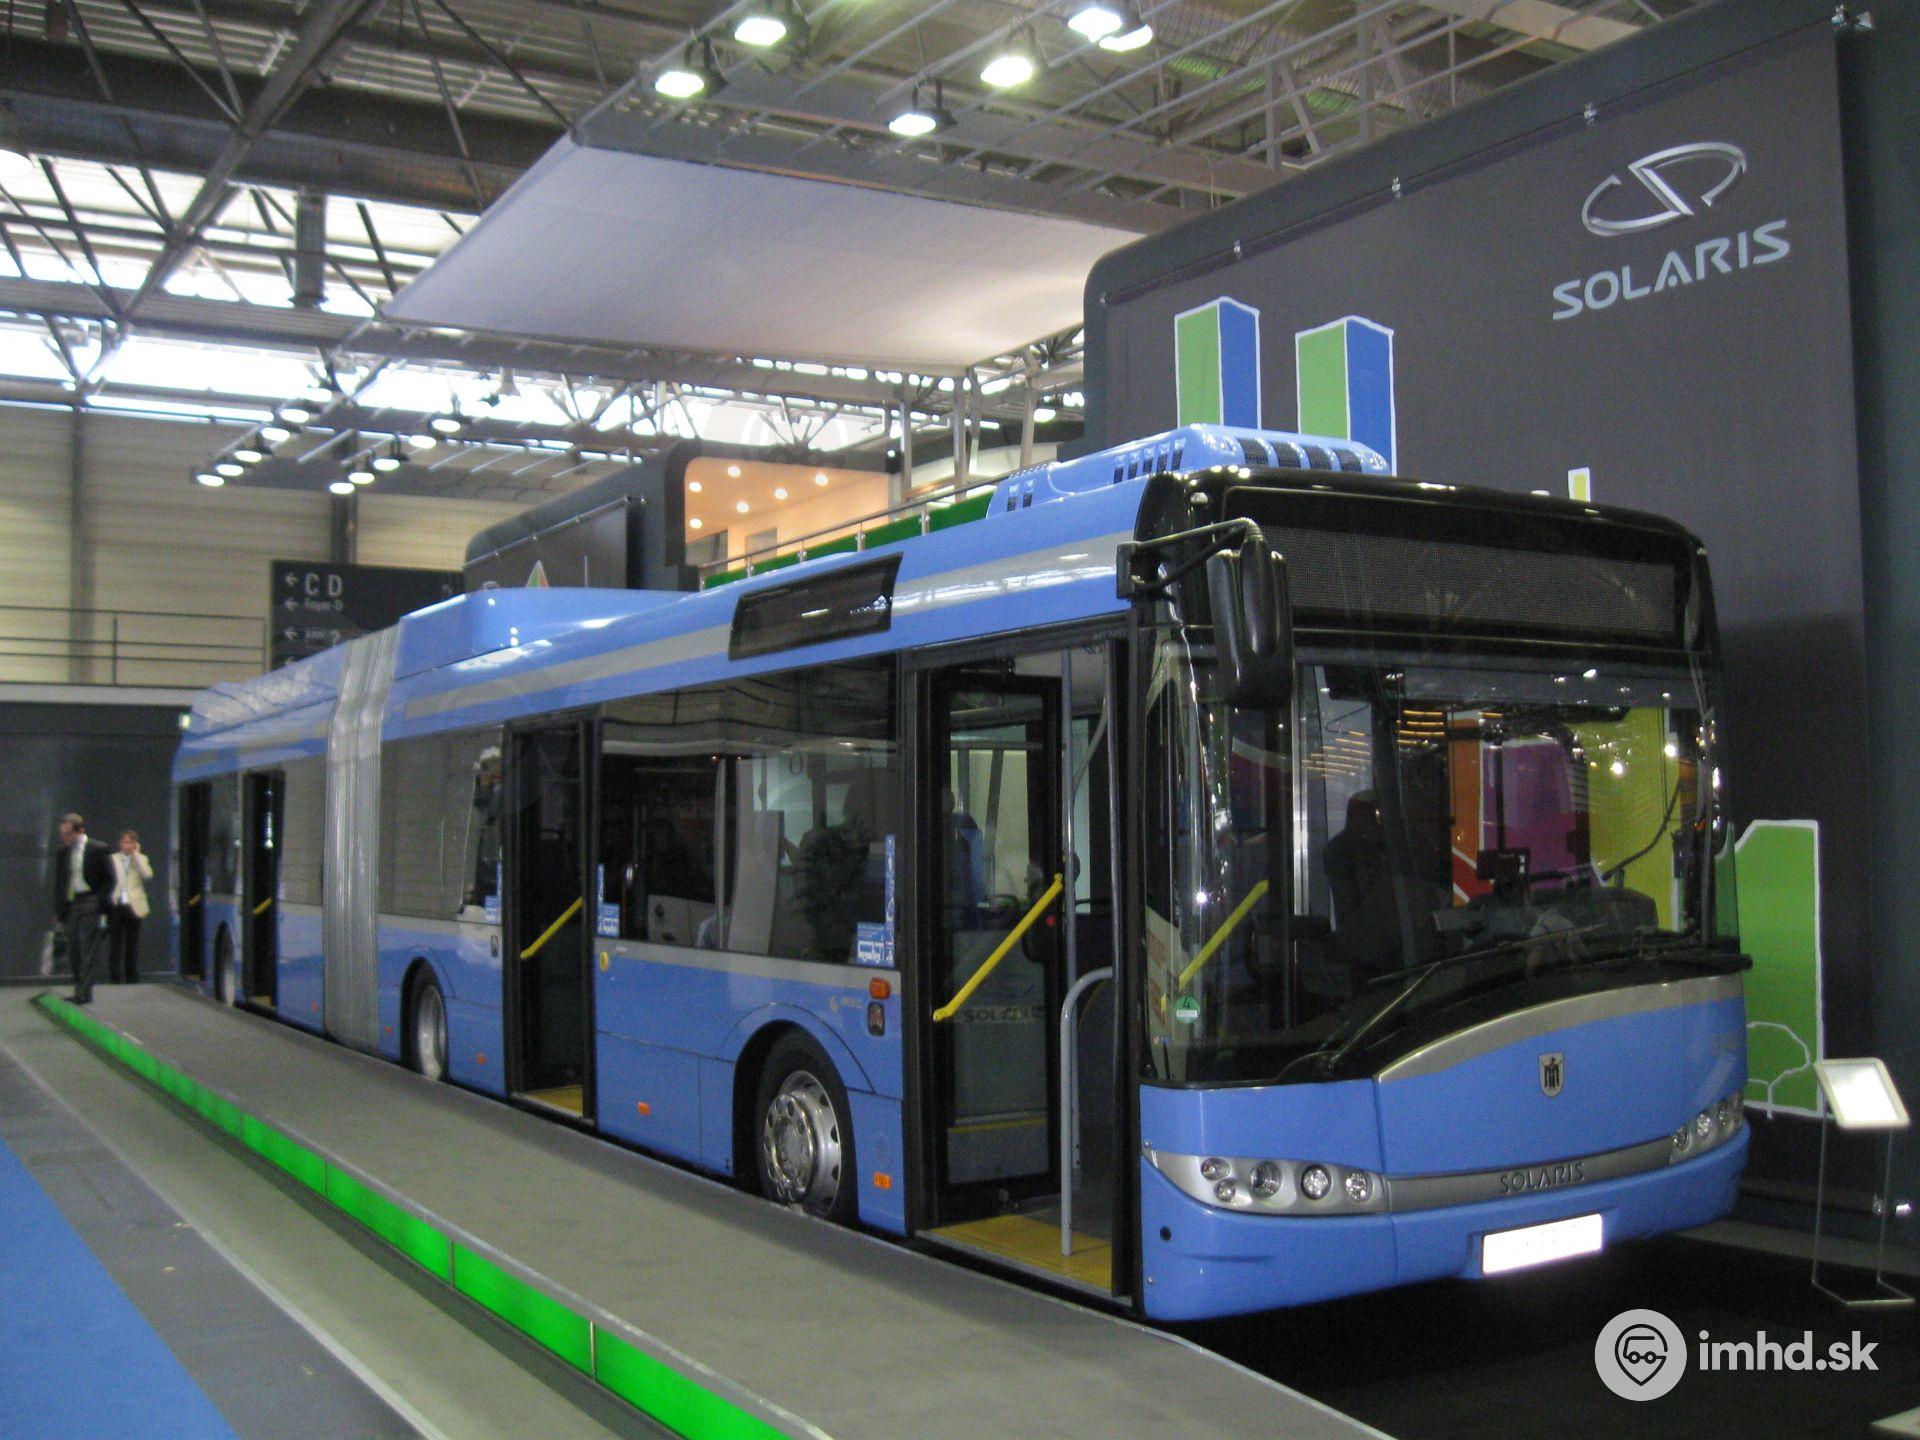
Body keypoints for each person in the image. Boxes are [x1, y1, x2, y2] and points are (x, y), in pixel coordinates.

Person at [51, 813, 113, 1005]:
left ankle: (84, 993)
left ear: (80, 831)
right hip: (71, 903)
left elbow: (110, 878)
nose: (64, 838)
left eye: (68, 834)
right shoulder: (63, 852)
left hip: (90, 900)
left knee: (88, 948)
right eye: (62, 834)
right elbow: (60, 882)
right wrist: (59, 909)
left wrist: (99, 902)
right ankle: (79, 988)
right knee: (74, 949)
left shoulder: (98, 849)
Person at [108, 830, 152, 985]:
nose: (127, 845)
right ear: (120, 843)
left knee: (132, 942)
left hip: (134, 905)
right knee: (116, 942)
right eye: (125, 842)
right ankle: (115, 975)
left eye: (130, 843)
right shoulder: (112, 859)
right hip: (117, 904)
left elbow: (147, 875)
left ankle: (131, 975)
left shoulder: (142, 859)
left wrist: (136, 855)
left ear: (135, 844)